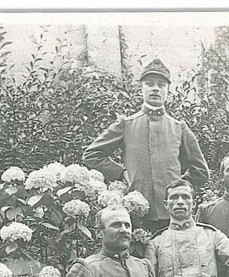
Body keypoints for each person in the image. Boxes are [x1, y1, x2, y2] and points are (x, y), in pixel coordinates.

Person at [83, 58, 209, 234]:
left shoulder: (179, 128)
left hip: (172, 215)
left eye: (161, 84)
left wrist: (179, 188)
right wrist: (121, 173)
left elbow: (200, 171)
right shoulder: (126, 125)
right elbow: (92, 154)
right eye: (149, 84)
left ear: (167, 90)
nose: (155, 88)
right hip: (137, 213)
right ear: (141, 88)